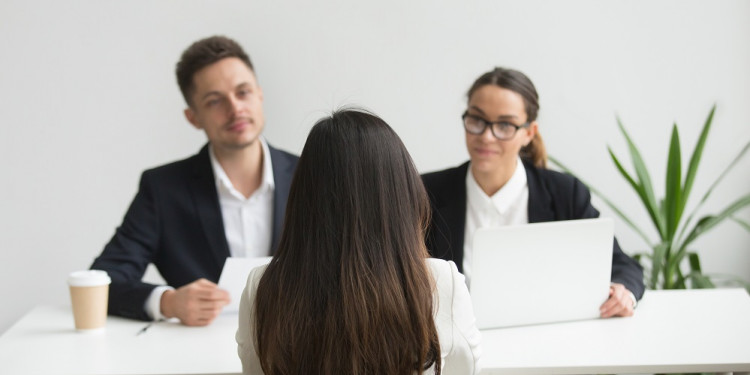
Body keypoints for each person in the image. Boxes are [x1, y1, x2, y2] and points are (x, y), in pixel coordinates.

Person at [236, 109, 481, 374]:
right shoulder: (441, 281)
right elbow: (467, 369)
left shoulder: (262, 286)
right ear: (402, 194)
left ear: (303, 198)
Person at [90, 36, 298, 326]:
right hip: (199, 353)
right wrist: (169, 302)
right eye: (215, 101)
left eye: (243, 92)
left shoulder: (310, 174)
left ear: (260, 95)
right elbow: (103, 281)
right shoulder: (162, 189)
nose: (235, 108)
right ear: (193, 117)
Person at [423, 67, 645, 318]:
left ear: (529, 133)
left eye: (504, 125)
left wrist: (622, 293)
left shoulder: (564, 194)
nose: (486, 136)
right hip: (453, 347)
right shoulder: (427, 192)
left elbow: (623, 266)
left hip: (545, 343)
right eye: (476, 120)